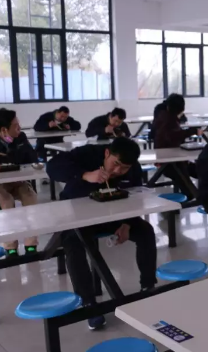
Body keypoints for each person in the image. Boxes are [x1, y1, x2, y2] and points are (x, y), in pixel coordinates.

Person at [46, 138, 155, 331]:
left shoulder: (133, 169)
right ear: (106, 153)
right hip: (77, 215)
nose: (117, 171)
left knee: (146, 231)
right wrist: (85, 175)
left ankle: (148, 287)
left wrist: (126, 223)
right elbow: (52, 167)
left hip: (113, 216)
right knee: (73, 241)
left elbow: (136, 199)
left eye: (124, 168)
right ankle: (88, 303)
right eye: (115, 164)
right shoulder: (87, 154)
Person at [0, 108, 39, 256]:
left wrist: (20, 148)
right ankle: (10, 246)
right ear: (4, 130)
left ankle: (31, 245)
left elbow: (33, 158)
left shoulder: (21, 138)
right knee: (6, 203)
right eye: (15, 125)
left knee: (31, 197)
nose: (19, 128)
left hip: (18, 181)